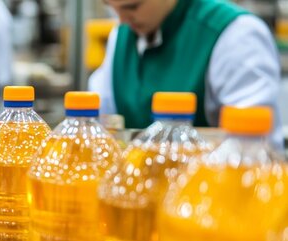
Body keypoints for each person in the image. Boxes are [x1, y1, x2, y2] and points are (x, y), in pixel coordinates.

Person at [89, 0, 284, 149]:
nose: (122, 19)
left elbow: (256, 149)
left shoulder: (235, 35)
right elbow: (104, 123)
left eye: (132, 7)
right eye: (111, 5)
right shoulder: (121, 37)